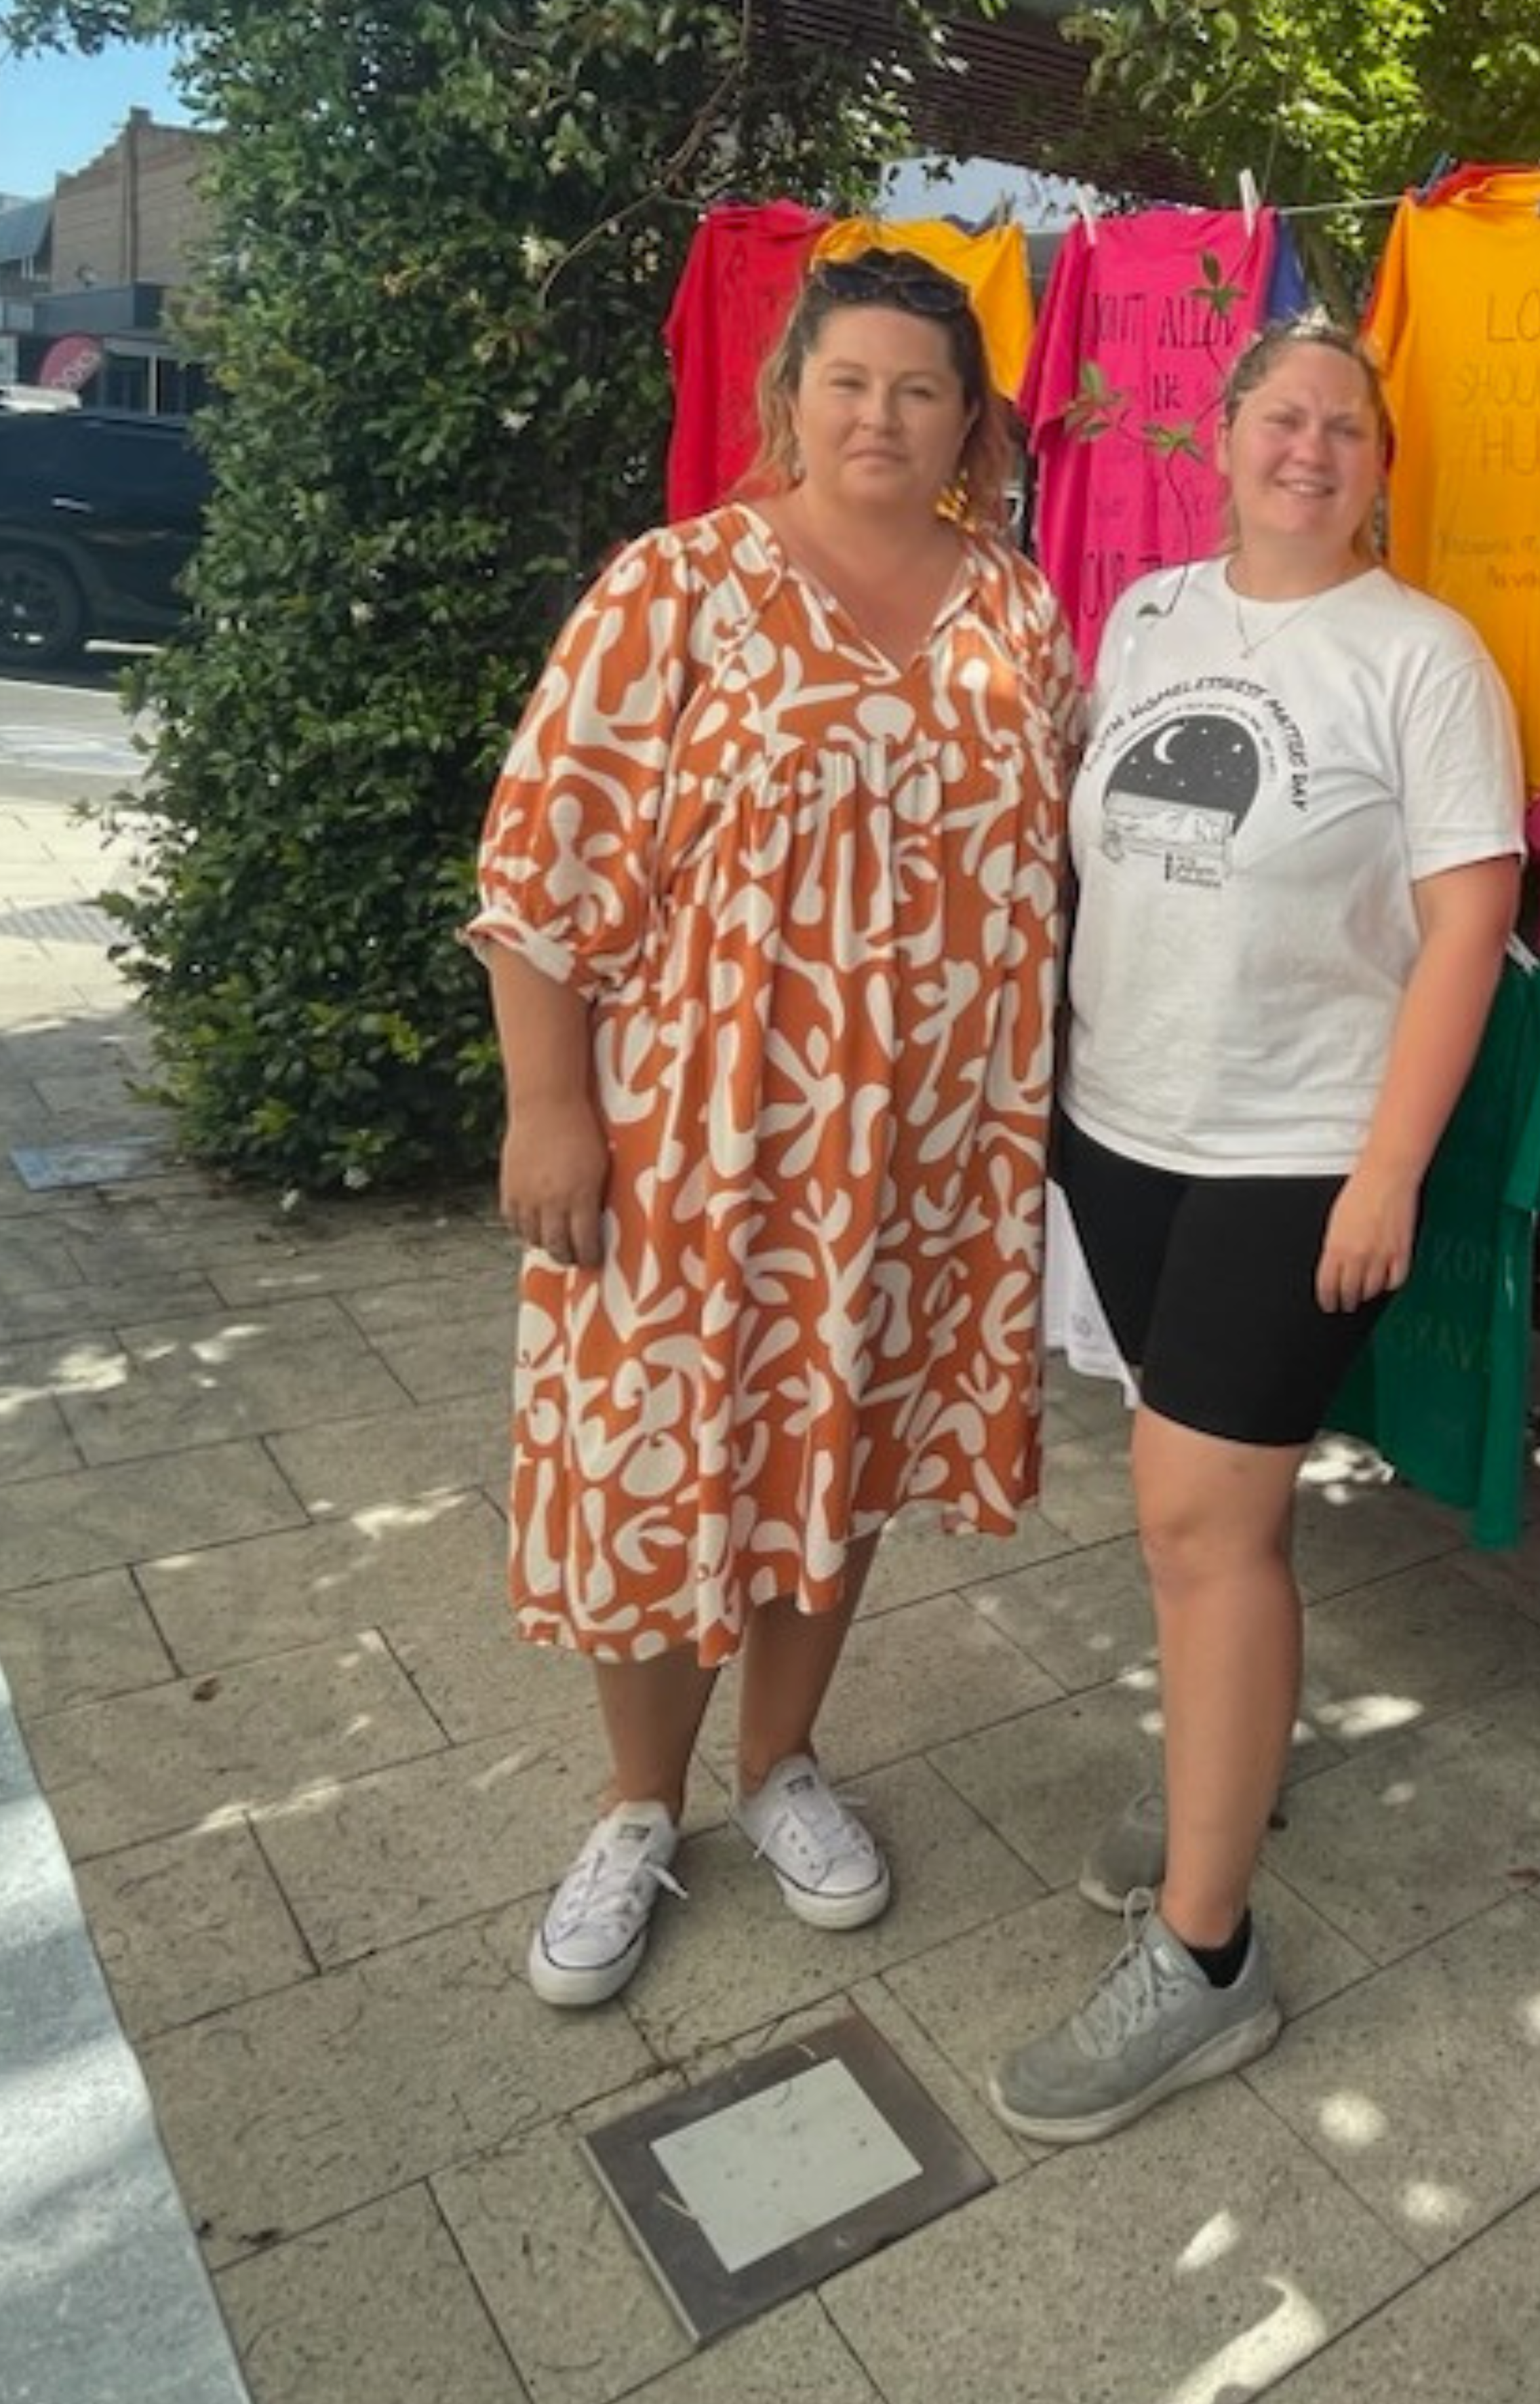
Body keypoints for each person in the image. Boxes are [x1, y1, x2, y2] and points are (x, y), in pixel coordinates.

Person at [469, 244, 1082, 2009]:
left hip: (928, 1144)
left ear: (969, 417)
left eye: (919, 387)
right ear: (790, 398)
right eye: (850, 381)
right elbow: (542, 863)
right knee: (665, 1454)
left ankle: (785, 1765)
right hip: (691, 1128)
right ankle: (640, 1805)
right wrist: (549, 1100)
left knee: (849, 1444)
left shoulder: (1020, 615)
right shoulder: (677, 587)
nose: (882, 413)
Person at [995, 311, 1522, 2142]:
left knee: (1200, 1522)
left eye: (1349, 429)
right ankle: (1225, 1776)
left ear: (1384, 466)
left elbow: (1468, 922)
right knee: (1197, 1523)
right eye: (1283, 417)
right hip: (1120, 1124)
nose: (1313, 447)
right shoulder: (1144, 614)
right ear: (1223, 435)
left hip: (1298, 1148)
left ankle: (1208, 1956)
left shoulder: (1424, 657)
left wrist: (1389, 1167)